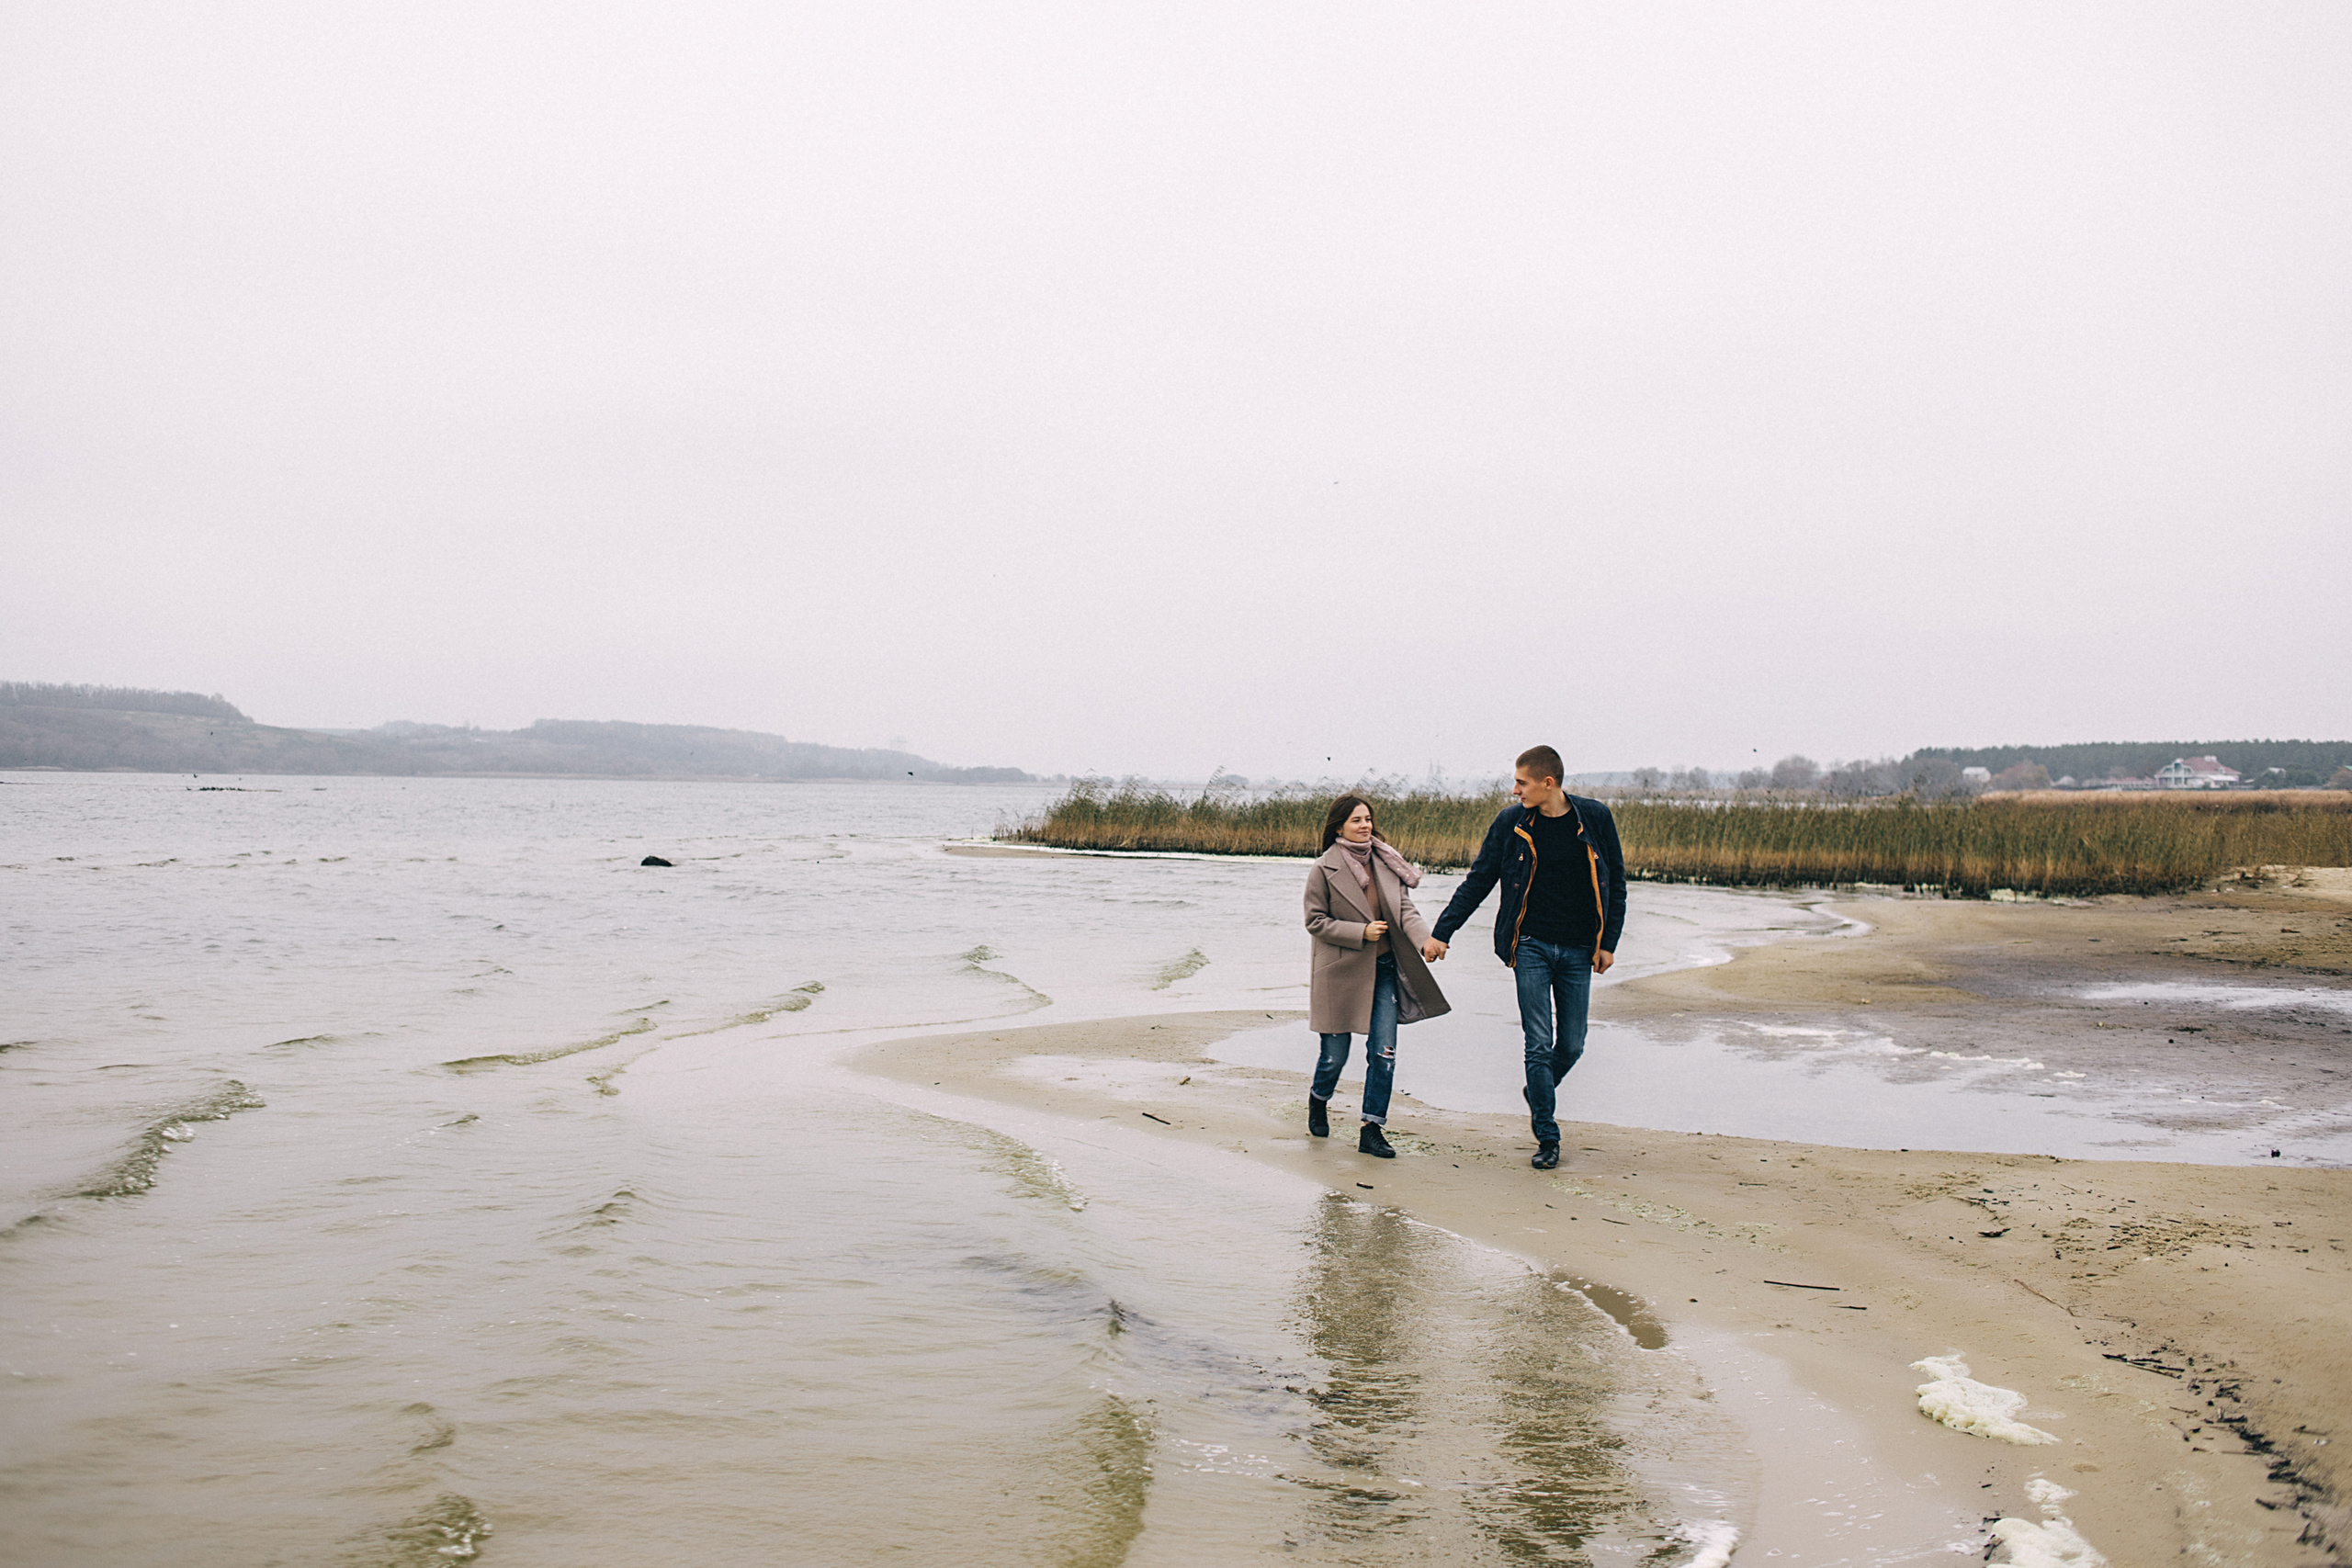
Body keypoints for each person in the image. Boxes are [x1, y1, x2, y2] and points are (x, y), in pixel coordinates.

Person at [1421, 745, 1626, 1169]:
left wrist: (1609, 943)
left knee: (1572, 1043)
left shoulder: (1595, 819)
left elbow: (1616, 884)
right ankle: (1548, 1136)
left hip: (1577, 949)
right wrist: (1442, 933)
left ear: (1547, 783)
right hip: (1529, 944)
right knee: (1538, 1042)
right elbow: (1479, 880)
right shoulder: (1512, 823)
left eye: (1521, 782)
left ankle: (1538, 1092)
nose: (1515, 790)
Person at [1303, 794, 1451, 1158]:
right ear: (1339, 827)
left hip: (1384, 971)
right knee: (1334, 1058)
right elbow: (1314, 921)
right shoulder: (1323, 868)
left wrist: (1426, 941)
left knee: (1384, 1053)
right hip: (1339, 973)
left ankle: (1372, 1130)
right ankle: (1319, 1099)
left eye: (1367, 818)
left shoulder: (1385, 861)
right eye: (1356, 820)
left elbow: (1404, 910)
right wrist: (1360, 933)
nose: (1365, 825)